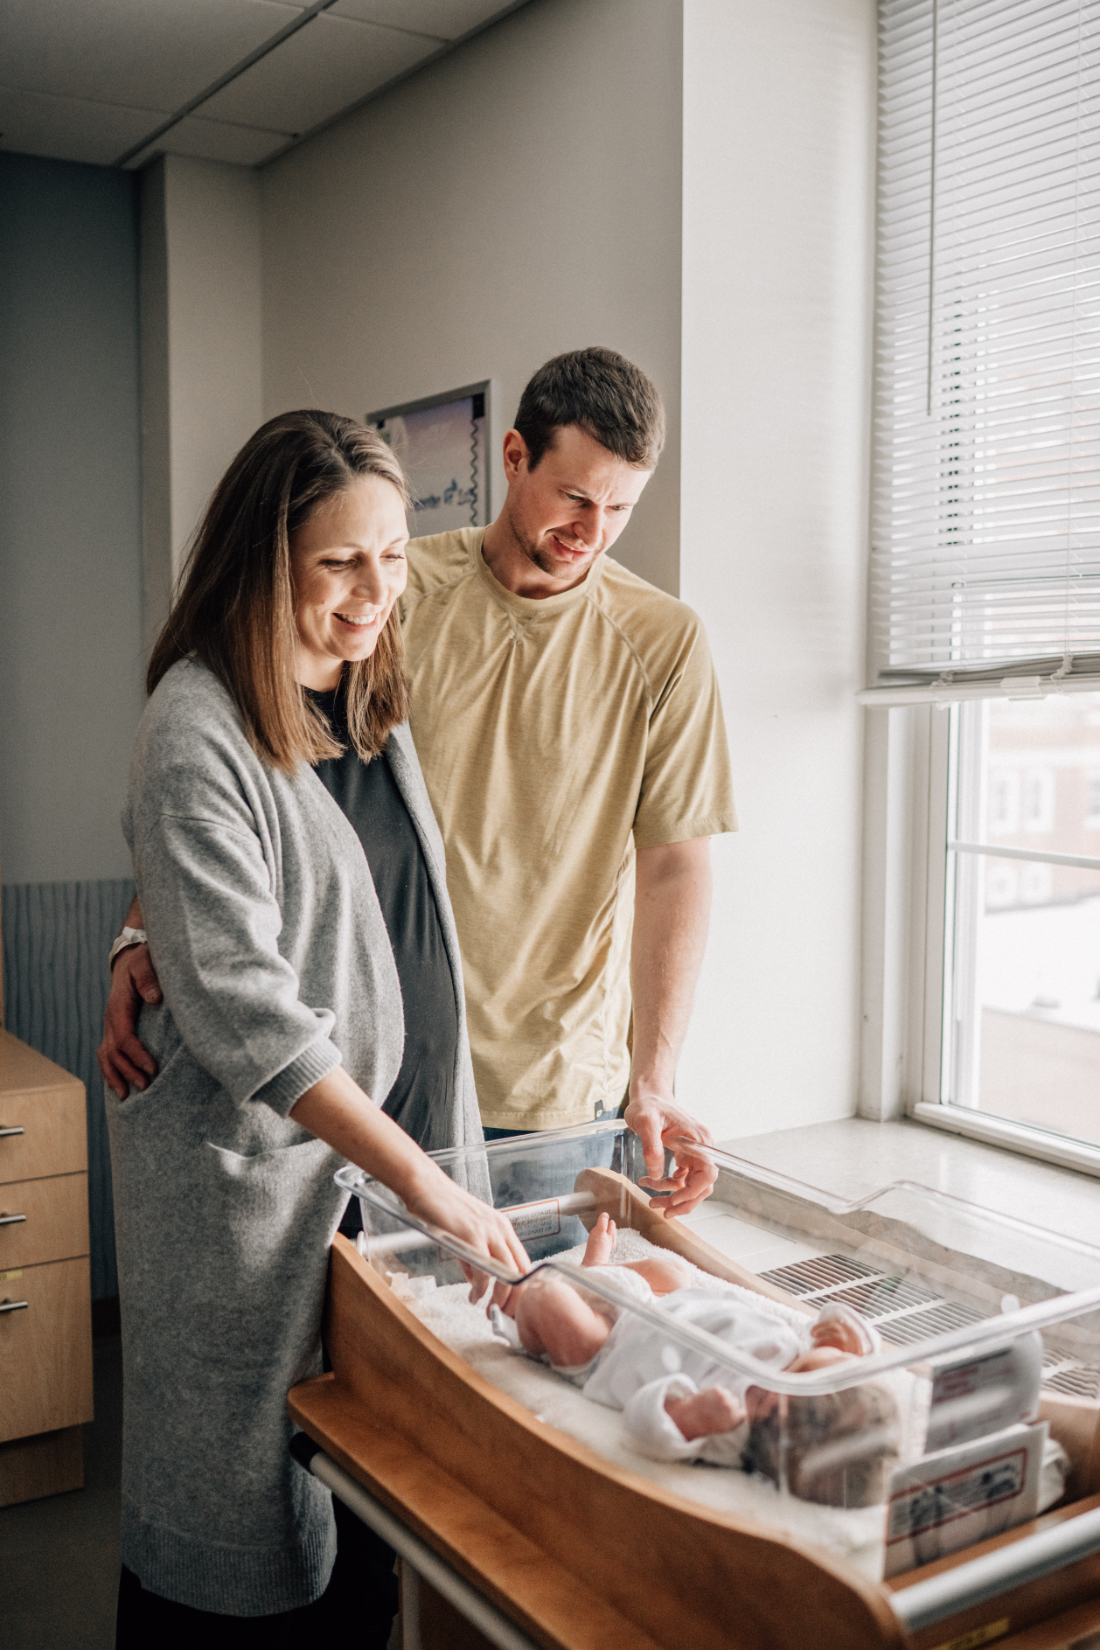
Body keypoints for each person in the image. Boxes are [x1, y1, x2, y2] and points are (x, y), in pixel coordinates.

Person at [101, 347, 736, 1215]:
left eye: (621, 507)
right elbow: (244, 768)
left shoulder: (663, 641)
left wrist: (655, 1080)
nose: (593, 530)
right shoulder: (387, 592)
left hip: (552, 1092)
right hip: (364, 1081)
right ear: (515, 459)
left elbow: (676, 866)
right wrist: (149, 928)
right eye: (577, 498)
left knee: (524, 1341)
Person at [106, 410, 528, 1646]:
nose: (374, 592)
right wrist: (421, 1182)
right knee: (239, 1538)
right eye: (340, 562)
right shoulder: (196, 728)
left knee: (360, 1535)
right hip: (272, 1189)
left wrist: (140, 932)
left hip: (374, 1172)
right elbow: (248, 1007)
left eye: (392, 556)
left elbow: (271, 892)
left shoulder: (362, 690)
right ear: (261, 557)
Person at [498, 1214, 899, 1508]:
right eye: (809, 1369)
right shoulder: (800, 1355)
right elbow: (834, 1331)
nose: (760, 1388)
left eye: (765, 1406)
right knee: (671, 1270)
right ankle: (597, 1274)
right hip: (655, 1304)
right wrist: (854, 1335)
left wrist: (688, 1418)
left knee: (549, 1300)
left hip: (606, 1352)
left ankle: (522, 1298)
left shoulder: (731, 1431)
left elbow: (642, 1429)